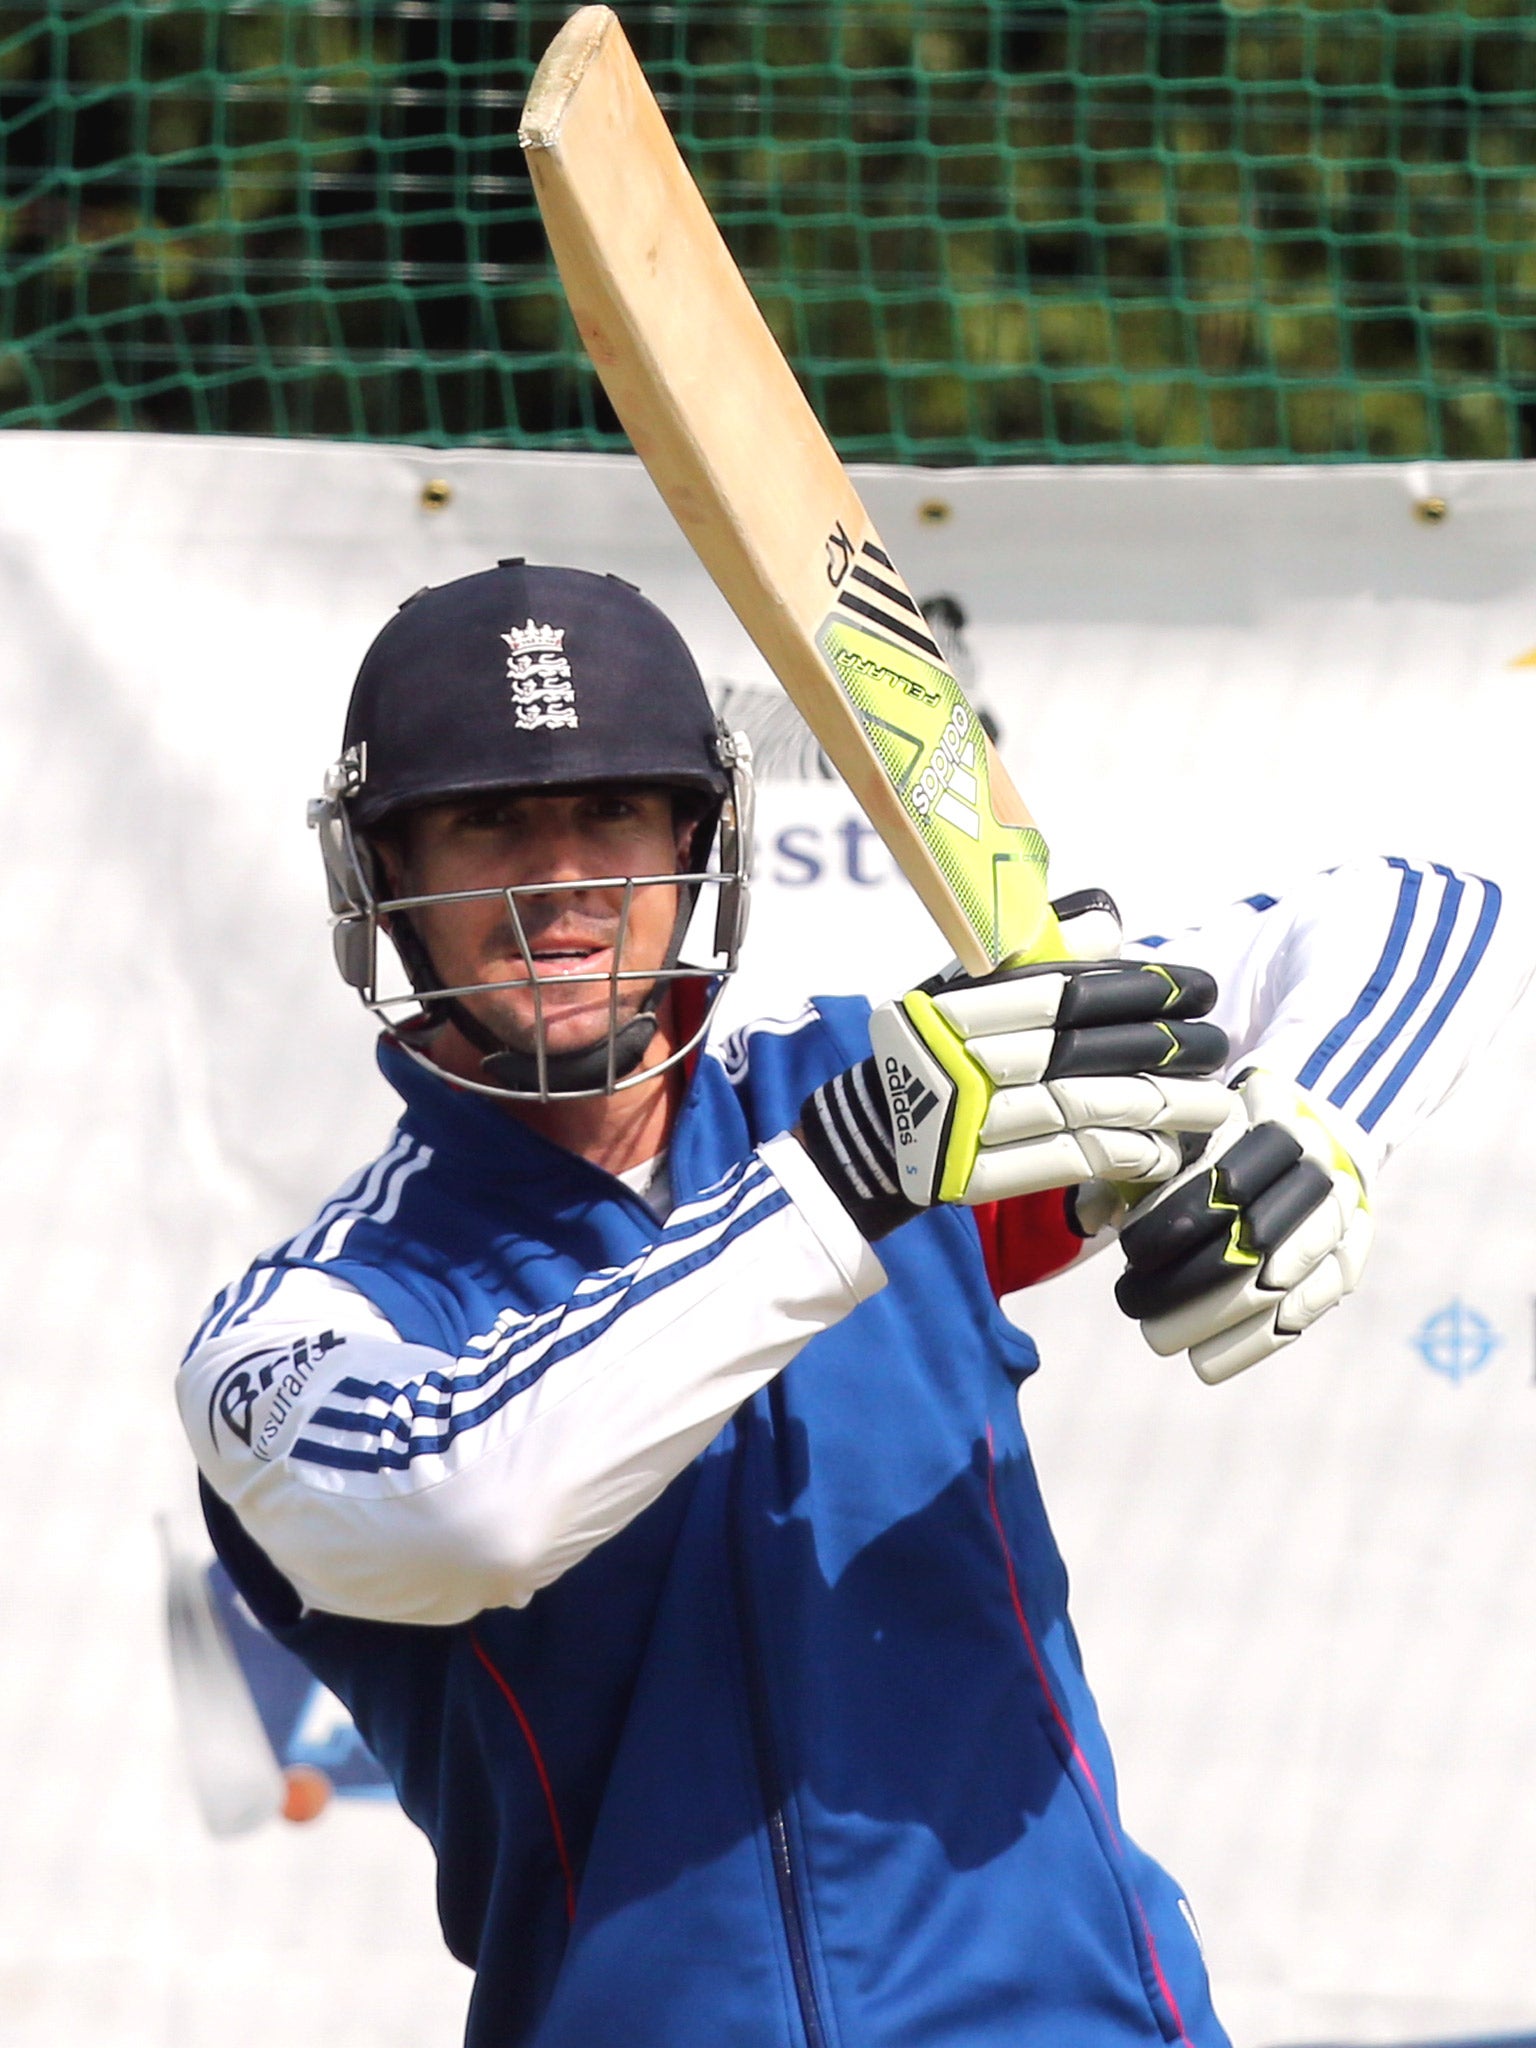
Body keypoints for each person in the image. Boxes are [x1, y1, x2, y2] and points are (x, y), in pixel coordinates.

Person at [178, 562, 1528, 2048]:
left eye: (615, 812)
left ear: (699, 841)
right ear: (382, 870)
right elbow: (470, 1508)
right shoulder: (307, 1323)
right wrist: (846, 1176)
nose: (560, 878)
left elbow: (1422, 911)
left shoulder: (897, 1090)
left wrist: (1321, 1124)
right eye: (489, 821)